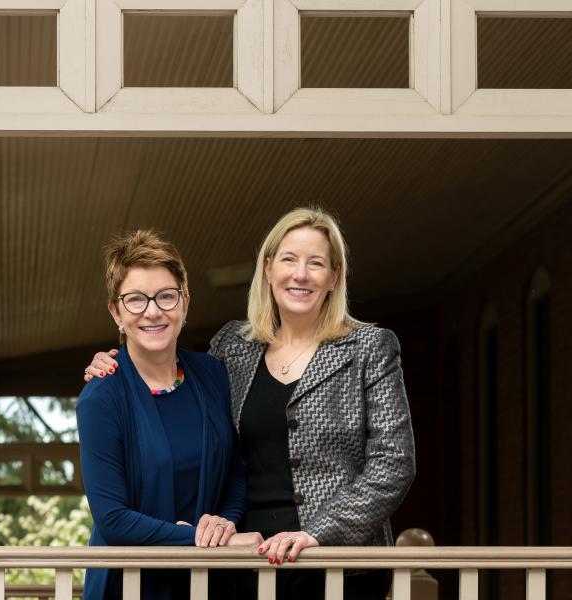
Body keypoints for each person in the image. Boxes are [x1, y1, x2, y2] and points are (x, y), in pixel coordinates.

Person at [85, 208, 415, 599]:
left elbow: (394, 462)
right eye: (289, 259)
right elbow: (212, 431)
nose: (301, 274)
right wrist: (109, 363)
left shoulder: (369, 348)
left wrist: (318, 533)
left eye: (316, 263)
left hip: (339, 564)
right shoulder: (234, 348)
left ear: (335, 276)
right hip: (248, 561)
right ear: (269, 268)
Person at [76, 230, 261, 600]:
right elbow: (112, 519)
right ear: (115, 311)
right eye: (135, 300)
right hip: (131, 587)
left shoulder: (212, 375)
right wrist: (199, 539)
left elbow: (236, 472)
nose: (153, 311)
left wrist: (224, 523)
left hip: (210, 583)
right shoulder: (102, 397)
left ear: (185, 304)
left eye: (166, 296)